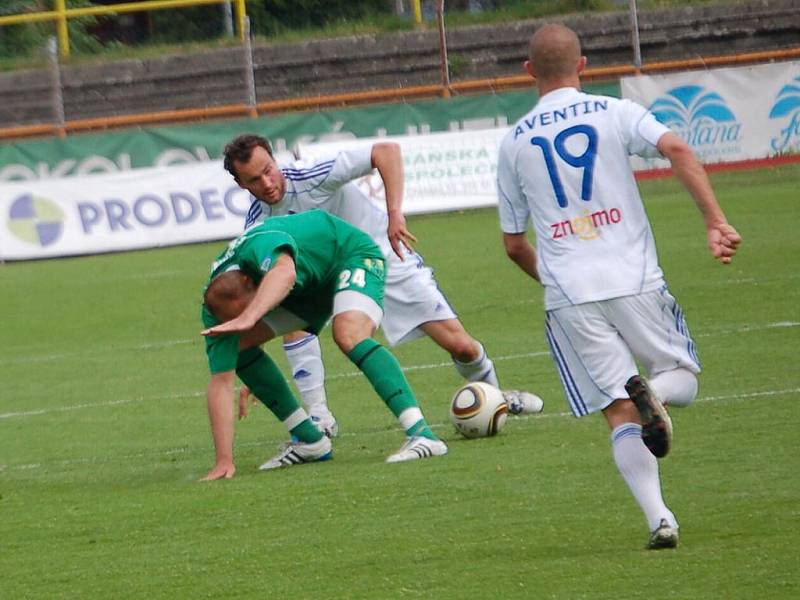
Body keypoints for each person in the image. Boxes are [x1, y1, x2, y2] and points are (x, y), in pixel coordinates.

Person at [496, 24, 741, 549]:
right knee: (683, 377)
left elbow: (514, 244)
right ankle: (661, 393)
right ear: (583, 65)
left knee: (617, 408)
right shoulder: (614, 112)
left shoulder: (513, 141)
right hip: (633, 277)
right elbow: (677, 147)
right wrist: (714, 220)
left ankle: (660, 520)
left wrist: (559, 283)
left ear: (528, 72)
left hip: (569, 293)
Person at [222, 133, 544, 436]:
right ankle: (320, 417)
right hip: (333, 277)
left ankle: (496, 396)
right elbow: (268, 291)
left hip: (384, 256)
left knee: (461, 346)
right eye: (254, 179)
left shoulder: (311, 177)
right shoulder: (257, 223)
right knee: (298, 318)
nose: (267, 183)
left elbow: (386, 151)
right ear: (240, 184)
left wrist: (395, 216)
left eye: (269, 170)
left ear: (276, 162)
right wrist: (259, 357)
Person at [200, 210, 448, 481]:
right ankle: (310, 441)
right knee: (239, 347)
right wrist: (224, 460)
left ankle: (422, 434)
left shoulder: (257, 247)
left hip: (348, 255)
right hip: (307, 288)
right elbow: (220, 383)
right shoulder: (215, 310)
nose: (243, 320)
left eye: (247, 310)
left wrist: (250, 317)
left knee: (349, 334)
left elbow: (284, 272)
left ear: (252, 282)